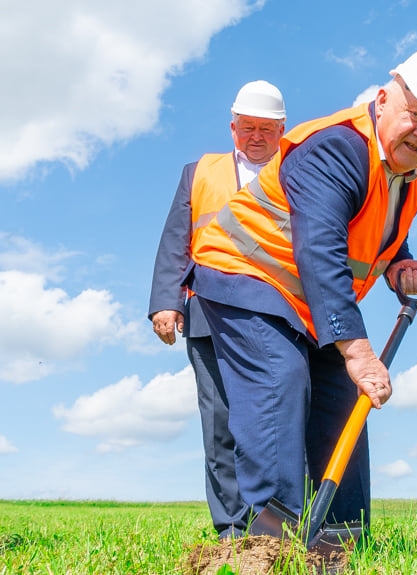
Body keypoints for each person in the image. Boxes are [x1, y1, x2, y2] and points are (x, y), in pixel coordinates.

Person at [183, 47, 417, 535]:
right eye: (416, 116)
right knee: (282, 376)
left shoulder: (410, 177)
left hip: (304, 302)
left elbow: (379, 229)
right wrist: (358, 351)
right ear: (384, 100)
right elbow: (320, 250)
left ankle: (338, 544)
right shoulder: (335, 147)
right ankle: (267, 540)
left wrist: (400, 263)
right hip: (244, 275)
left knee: (342, 398)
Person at [148, 81, 286, 539]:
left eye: (267, 128)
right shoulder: (200, 171)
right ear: (233, 128)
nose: (257, 137)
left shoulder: (299, 172)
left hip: (278, 314)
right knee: (220, 422)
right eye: (248, 127)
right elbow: (175, 239)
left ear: (281, 130)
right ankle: (231, 527)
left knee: (273, 421)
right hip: (208, 311)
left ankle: (276, 525)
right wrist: (166, 302)